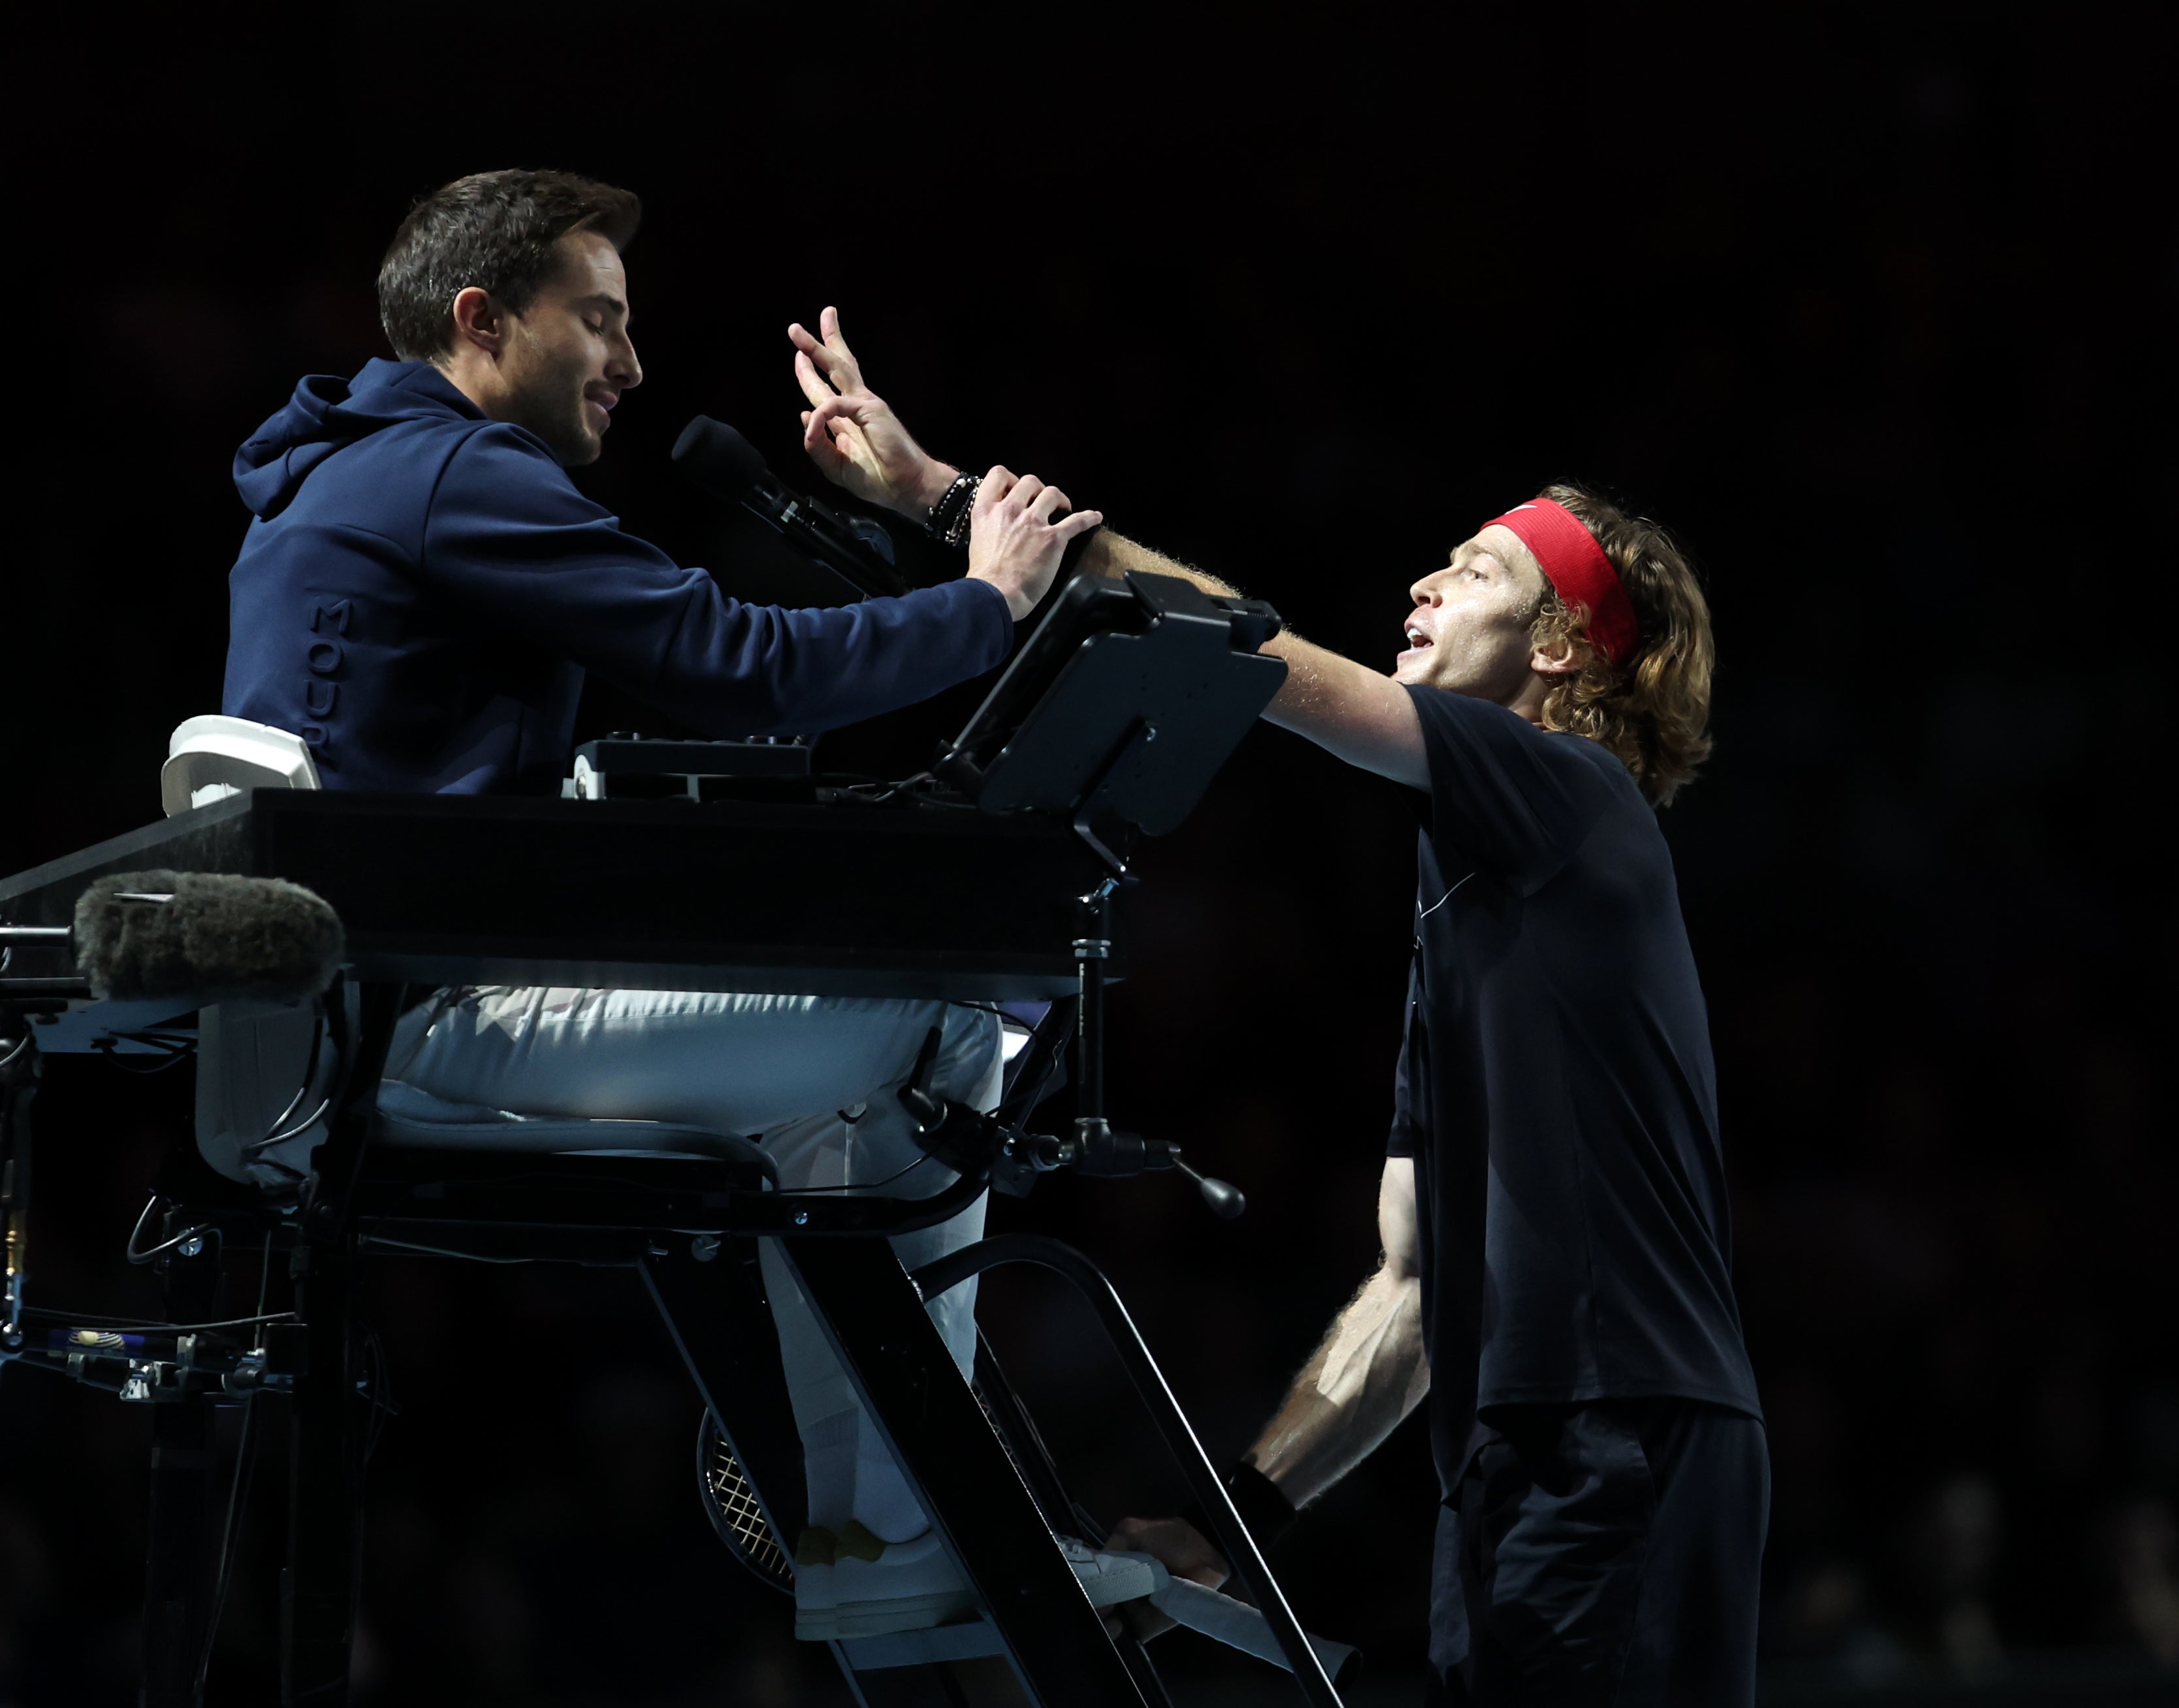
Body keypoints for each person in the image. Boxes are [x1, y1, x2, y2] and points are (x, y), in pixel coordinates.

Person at [215, 170, 1156, 1644]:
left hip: (342, 1031)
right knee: (952, 1016)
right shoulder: (458, 475)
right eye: (599, 321)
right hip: (432, 1016)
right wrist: (987, 602)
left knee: (817, 1111)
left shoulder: (333, 475)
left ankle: (871, 1533)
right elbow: (741, 662)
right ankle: (900, 1534)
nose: (633, 366)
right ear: (481, 318)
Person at [788, 317, 1766, 1701]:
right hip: (1512, 1461)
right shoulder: (1478, 893)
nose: (1425, 582)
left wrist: (945, 497)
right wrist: (1234, 1526)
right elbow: (1414, 1294)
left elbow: (1250, 657)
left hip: (1626, 1443)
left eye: (1479, 568)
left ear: (1560, 649)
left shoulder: (1566, 793)